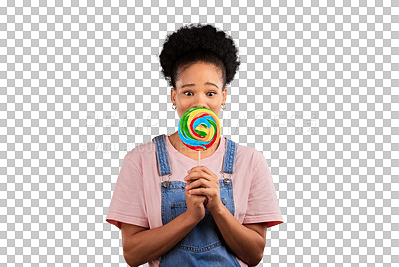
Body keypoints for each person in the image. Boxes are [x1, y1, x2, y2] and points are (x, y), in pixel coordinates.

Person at [106, 23, 284, 267]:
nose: (199, 102)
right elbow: (133, 255)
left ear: (224, 96)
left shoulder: (250, 161)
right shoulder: (141, 160)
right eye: (188, 92)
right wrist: (191, 217)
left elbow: (254, 254)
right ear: (173, 96)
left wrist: (218, 209)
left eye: (210, 93)